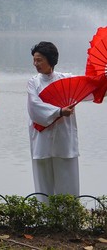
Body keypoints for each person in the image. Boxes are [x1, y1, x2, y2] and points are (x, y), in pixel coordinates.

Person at [27, 41, 79, 200]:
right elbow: (35, 108)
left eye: (39, 60)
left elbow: (88, 89)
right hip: (42, 140)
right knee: (44, 184)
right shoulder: (33, 82)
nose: (36, 64)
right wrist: (59, 111)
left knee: (68, 182)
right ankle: (45, 220)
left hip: (64, 139)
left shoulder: (67, 79)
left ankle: (68, 218)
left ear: (51, 59)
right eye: (34, 60)